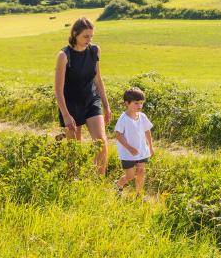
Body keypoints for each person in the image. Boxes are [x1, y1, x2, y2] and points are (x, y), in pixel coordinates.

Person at [54, 17, 111, 175]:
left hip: (91, 101)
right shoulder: (64, 56)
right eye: (86, 36)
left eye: (91, 36)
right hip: (70, 105)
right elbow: (58, 89)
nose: (89, 40)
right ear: (75, 34)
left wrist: (106, 106)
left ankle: (97, 180)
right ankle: (73, 180)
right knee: (74, 148)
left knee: (101, 141)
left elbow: (98, 79)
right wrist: (65, 114)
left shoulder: (94, 51)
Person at [114, 87, 154, 195]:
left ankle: (139, 195)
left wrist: (150, 146)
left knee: (141, 172)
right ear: (127, 103)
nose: (140, 106)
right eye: (136, 103)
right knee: (130, 176)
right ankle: (118, 185)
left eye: (141, 103)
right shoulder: (123, 119)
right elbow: (118, 135)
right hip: (127, 153)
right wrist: (129, 148)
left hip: (141, 150)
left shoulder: (142, 117)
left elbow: (147, 131)